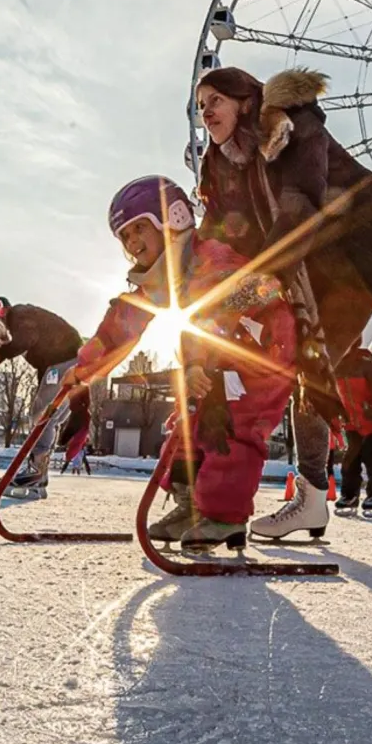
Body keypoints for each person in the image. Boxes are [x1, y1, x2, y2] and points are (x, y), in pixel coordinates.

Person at [193, 66, 372, 562]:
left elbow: (298, 210)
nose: (206, 113)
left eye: (214, 100)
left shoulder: (295, 128)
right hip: (333, 276)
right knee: (312, 369)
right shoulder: (225, 167)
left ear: (245, 100)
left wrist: (251, 286)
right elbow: (218, 237)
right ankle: (310, 498)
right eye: (200, 107)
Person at [56, 175, 299, 549]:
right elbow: (123, 326)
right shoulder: (163, 275)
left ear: (174, 219)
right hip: (218, 356)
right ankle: (191, 506)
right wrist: (86, 368)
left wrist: (199, 362)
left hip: (262, 354)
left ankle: (223, 516)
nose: (134, 243)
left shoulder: (210, 259)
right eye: (126, 238)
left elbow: (214, 311)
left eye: (140, 229)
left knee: (231, 428)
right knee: (189, 429)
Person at [0, 298, 86, 497]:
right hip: (70, 362)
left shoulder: (20, 315)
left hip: (66, 362)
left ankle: (36, 473)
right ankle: (39, 474)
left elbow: (27, 338)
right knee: (51, 418)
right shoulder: (24, 321)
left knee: (42, 416)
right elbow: (43, 354)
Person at [334, 347, 372, 519]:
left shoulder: (364, 362)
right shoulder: (336, 364)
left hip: (370, 421)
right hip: (350, 423)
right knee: (349, 462)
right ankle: (349, 495)